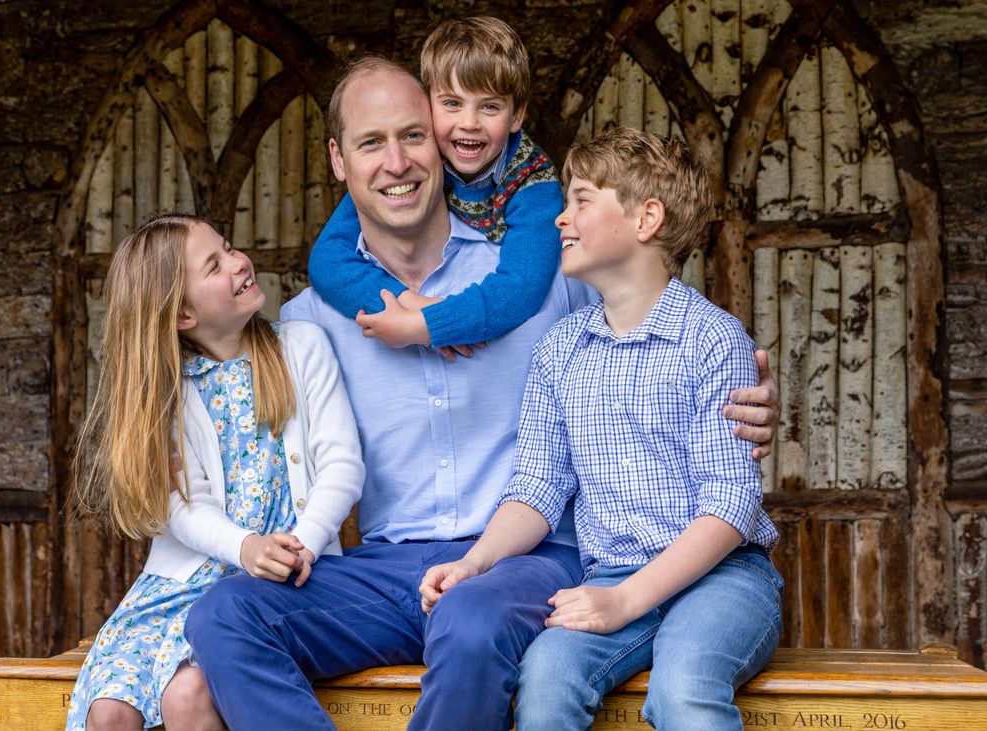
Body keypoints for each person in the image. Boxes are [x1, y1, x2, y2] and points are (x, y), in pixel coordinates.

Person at [185, 60, 779, 731]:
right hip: (388, 570)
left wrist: (752, 399)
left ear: (441, 145)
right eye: (370, 143)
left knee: (471, 620)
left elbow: (653, 331)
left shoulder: (541, 276)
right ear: (338, 160)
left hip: (529, 561)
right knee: (224, 613)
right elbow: (210, 381)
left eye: (413, 136)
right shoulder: (307, 322)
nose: (397, 161)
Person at [419, 127, 783, 731]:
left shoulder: (712, 340)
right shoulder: (560, 351)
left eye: (582, 200)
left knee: (683, 688)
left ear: (647, 219)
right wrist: (474, 563)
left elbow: (731, 503)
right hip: (612, 573)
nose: (562, 218)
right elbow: (537, 488)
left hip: (725, 579)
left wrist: (625, 601)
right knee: (546, 680)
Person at [65, 214, 364, 731]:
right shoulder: (167, 393)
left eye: (228, 248)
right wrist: (245, 546)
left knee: (188, 696)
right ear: (182, 313)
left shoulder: (302, 348)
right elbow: (182, 508)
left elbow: (342, 464)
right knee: (109, 711)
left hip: (285, 578)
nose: (239, 261)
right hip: (180, 586)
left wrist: (304, 544)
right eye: (215, 264)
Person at [307, 16, 562, 354]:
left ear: (516, 117)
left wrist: (430, 325)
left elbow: (522, 288)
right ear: (428, 106)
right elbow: (326, 261)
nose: (468, 123)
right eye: (452, 104)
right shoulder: (423, 161)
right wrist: (406, 303)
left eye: (489, 106)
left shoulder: (534, 182)